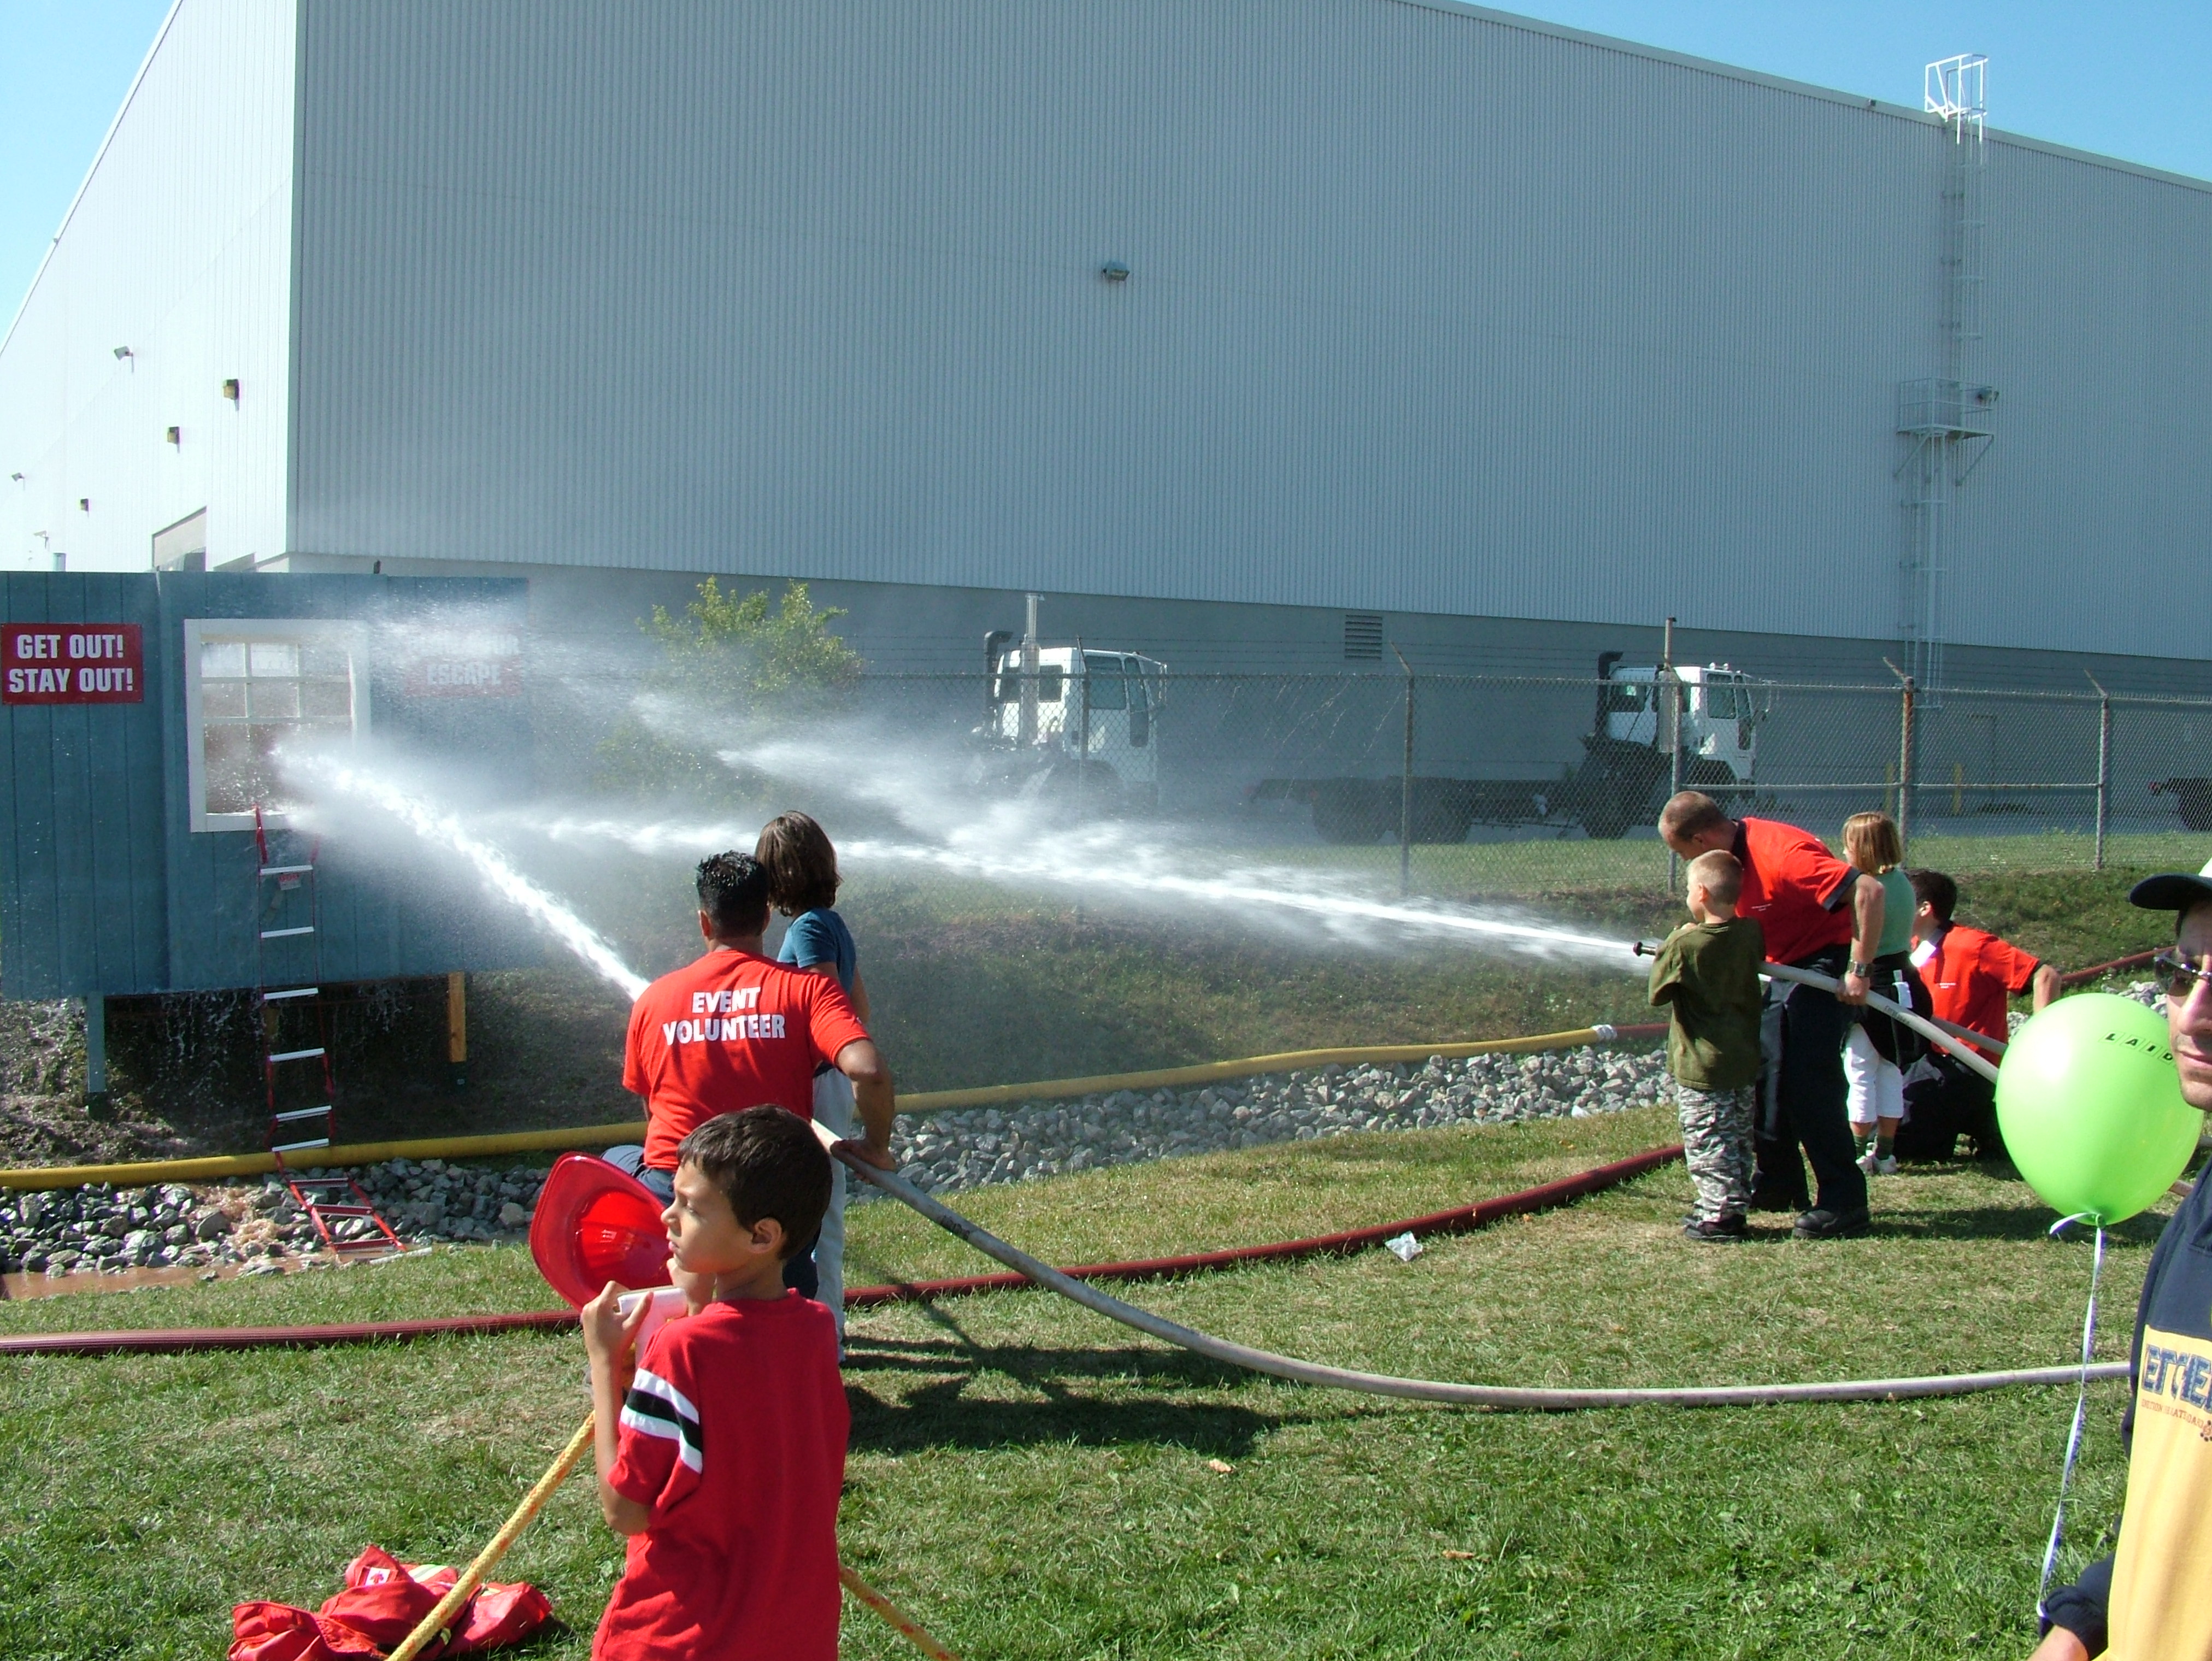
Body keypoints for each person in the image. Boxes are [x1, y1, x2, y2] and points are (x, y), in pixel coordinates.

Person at [583, 1107, 848, 1661]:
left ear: (761, 1235)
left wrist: (606, 1366)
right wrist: (702, 1300)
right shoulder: (815, 1331)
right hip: (792, 1634)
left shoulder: (683, 1350)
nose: (667, 1218)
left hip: (684, 1637)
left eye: (691, 1207)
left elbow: (625, 1510)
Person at [2032, 855, 2212, 1661]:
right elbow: (2173, 1497)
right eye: (2183, 972)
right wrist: (2086, 1620)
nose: (2194, 1014)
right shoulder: (2197, 1217)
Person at [606, 851, 896, 1299]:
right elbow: (869, 1071)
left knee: (615, 1162)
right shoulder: (807, 991)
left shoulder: (654, 1000)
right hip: (775, 1202)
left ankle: (634, 1308)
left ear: (705, 923)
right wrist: (877, 1147)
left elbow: (653, 1108)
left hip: (679, 1191)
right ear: (765, 917)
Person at [1658, 792, 1886, 1240]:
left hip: (1824, 964)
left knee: (1808, 1080)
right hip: (1785, 968)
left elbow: (1869, 891)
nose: (1685, 863)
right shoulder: (1731, 862)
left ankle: (1845, 1202)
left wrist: (1859, 970)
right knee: (1762, 1071)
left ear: (1702, 838)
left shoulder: (1781, 854)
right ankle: (1780, 1182)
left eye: (1682, 852)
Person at [756, 811, 869, 1343]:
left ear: (778, 876)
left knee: (819, 1208)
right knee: (823, 1202)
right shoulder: (830, 924)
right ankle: (826, 1322)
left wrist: (808, 1064)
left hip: (819, 1079)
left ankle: (827, 1331)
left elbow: (824, 999)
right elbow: (859, 1002)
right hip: (829, 1079)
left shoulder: (807, 928)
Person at [1896, 868, 2060, 1163]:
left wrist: (2042, 1042)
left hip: (1967, 1064)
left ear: (1925, 908)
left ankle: (1989, 1121)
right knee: (1878, 1113)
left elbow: (2045, 975)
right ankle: (1983, 1121)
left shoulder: (1974, 946)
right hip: (1926, 1057)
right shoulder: (1914, 946)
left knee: (1904, 1140)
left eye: (1902, 901)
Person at [1647, 849, 1766, 1240]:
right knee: (1736, 1139)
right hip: (1742, 1059)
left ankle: (1719, 1218)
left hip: (1703, 1064)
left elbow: (1658, 992)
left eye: (1686, 889)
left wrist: (1673, 940)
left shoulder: (1686, 945)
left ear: (1700, 892)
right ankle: (1728, 1206)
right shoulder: (1751, 933)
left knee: (1708, 1141)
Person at [1839, 811, 1926, 1177]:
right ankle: (1886, 1153)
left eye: (1847, 845)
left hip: (1873, 983)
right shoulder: (1904, 882)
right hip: (1902, 979)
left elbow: (1862, 939)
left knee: (1859, 1068)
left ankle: (1857, 1154)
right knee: (1891, 1067)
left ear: (1861, 849)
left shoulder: (1869, 890)